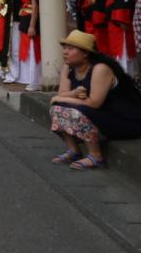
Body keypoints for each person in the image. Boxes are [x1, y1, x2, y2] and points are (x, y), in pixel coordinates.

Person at [48, 30, 141, 170]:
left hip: (124, 120)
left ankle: (96, 156)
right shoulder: (68, 67)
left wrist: (59, 98)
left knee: (71, 109)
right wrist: (72, 93)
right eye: (65, 48)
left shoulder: (100, 69)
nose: (65, 52)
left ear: (85, 53)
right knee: (57, 107)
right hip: (102, 117)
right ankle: (74, 151)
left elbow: (94, 103)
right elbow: (63, 93)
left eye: (70, 48)